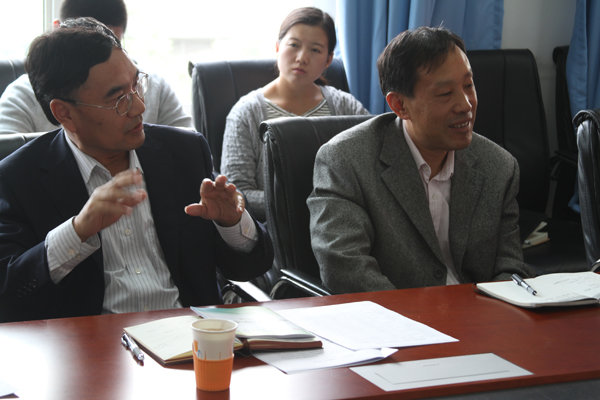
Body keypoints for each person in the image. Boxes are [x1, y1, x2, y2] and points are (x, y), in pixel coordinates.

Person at [0, 18, 273, 323]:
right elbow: (8, 294)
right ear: (64, 113)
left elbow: (251, 268)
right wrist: (78, 231)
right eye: (119, 99)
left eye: (137, 84)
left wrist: (231, 222)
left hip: (190, 337)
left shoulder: (184, 152)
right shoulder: (18, 178)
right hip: (94, 344)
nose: (139, 106)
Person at [307, 26, 534, 294]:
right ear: (400, 105)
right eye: (445, 93)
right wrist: (417, 317)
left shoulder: (499, 166)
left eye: (468, 85)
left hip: (478, 312)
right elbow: (345, 269)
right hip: (394, 315)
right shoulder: (346, 161)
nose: (466, 105)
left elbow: (510, 269)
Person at [221, 7, 370, 222]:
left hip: (341, 224)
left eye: (315, 50)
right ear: (277, 47)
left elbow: (371, 171)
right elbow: (238, 193)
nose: (302, 58)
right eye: (294, 45)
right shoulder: (246, 112)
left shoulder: (346, 106)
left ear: (328, 60)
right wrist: (310, 205)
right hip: (274, 230)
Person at [0, 0, 192, 135]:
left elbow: (187, 150)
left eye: (111, 43)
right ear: (57, 31)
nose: (139, 108)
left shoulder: (154, 86)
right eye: (84, 50)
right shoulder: (21, 99)